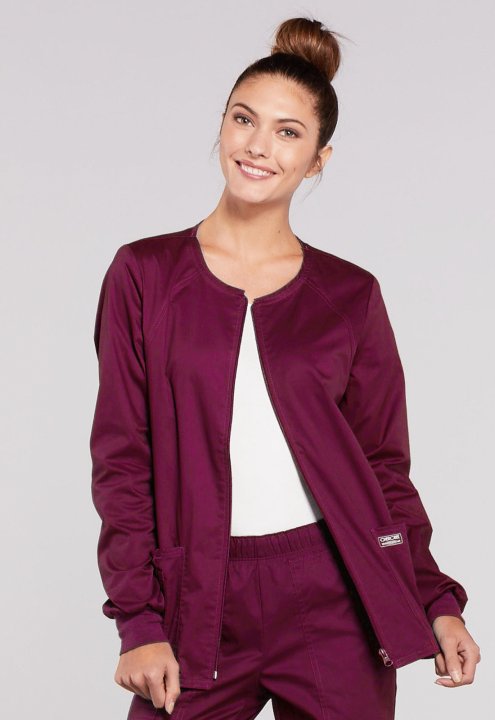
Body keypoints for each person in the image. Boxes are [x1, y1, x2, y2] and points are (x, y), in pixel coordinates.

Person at [89, 16, 480, 720]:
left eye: (287, 132)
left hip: (333, 595)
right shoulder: (144, 275)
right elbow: (122, 459)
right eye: (244, 119)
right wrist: (139, 621)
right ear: (221, 124)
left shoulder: (349, 296)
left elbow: (382, 469)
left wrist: (433, 598)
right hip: (198, 593)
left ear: (318, 159)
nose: (258, 145)